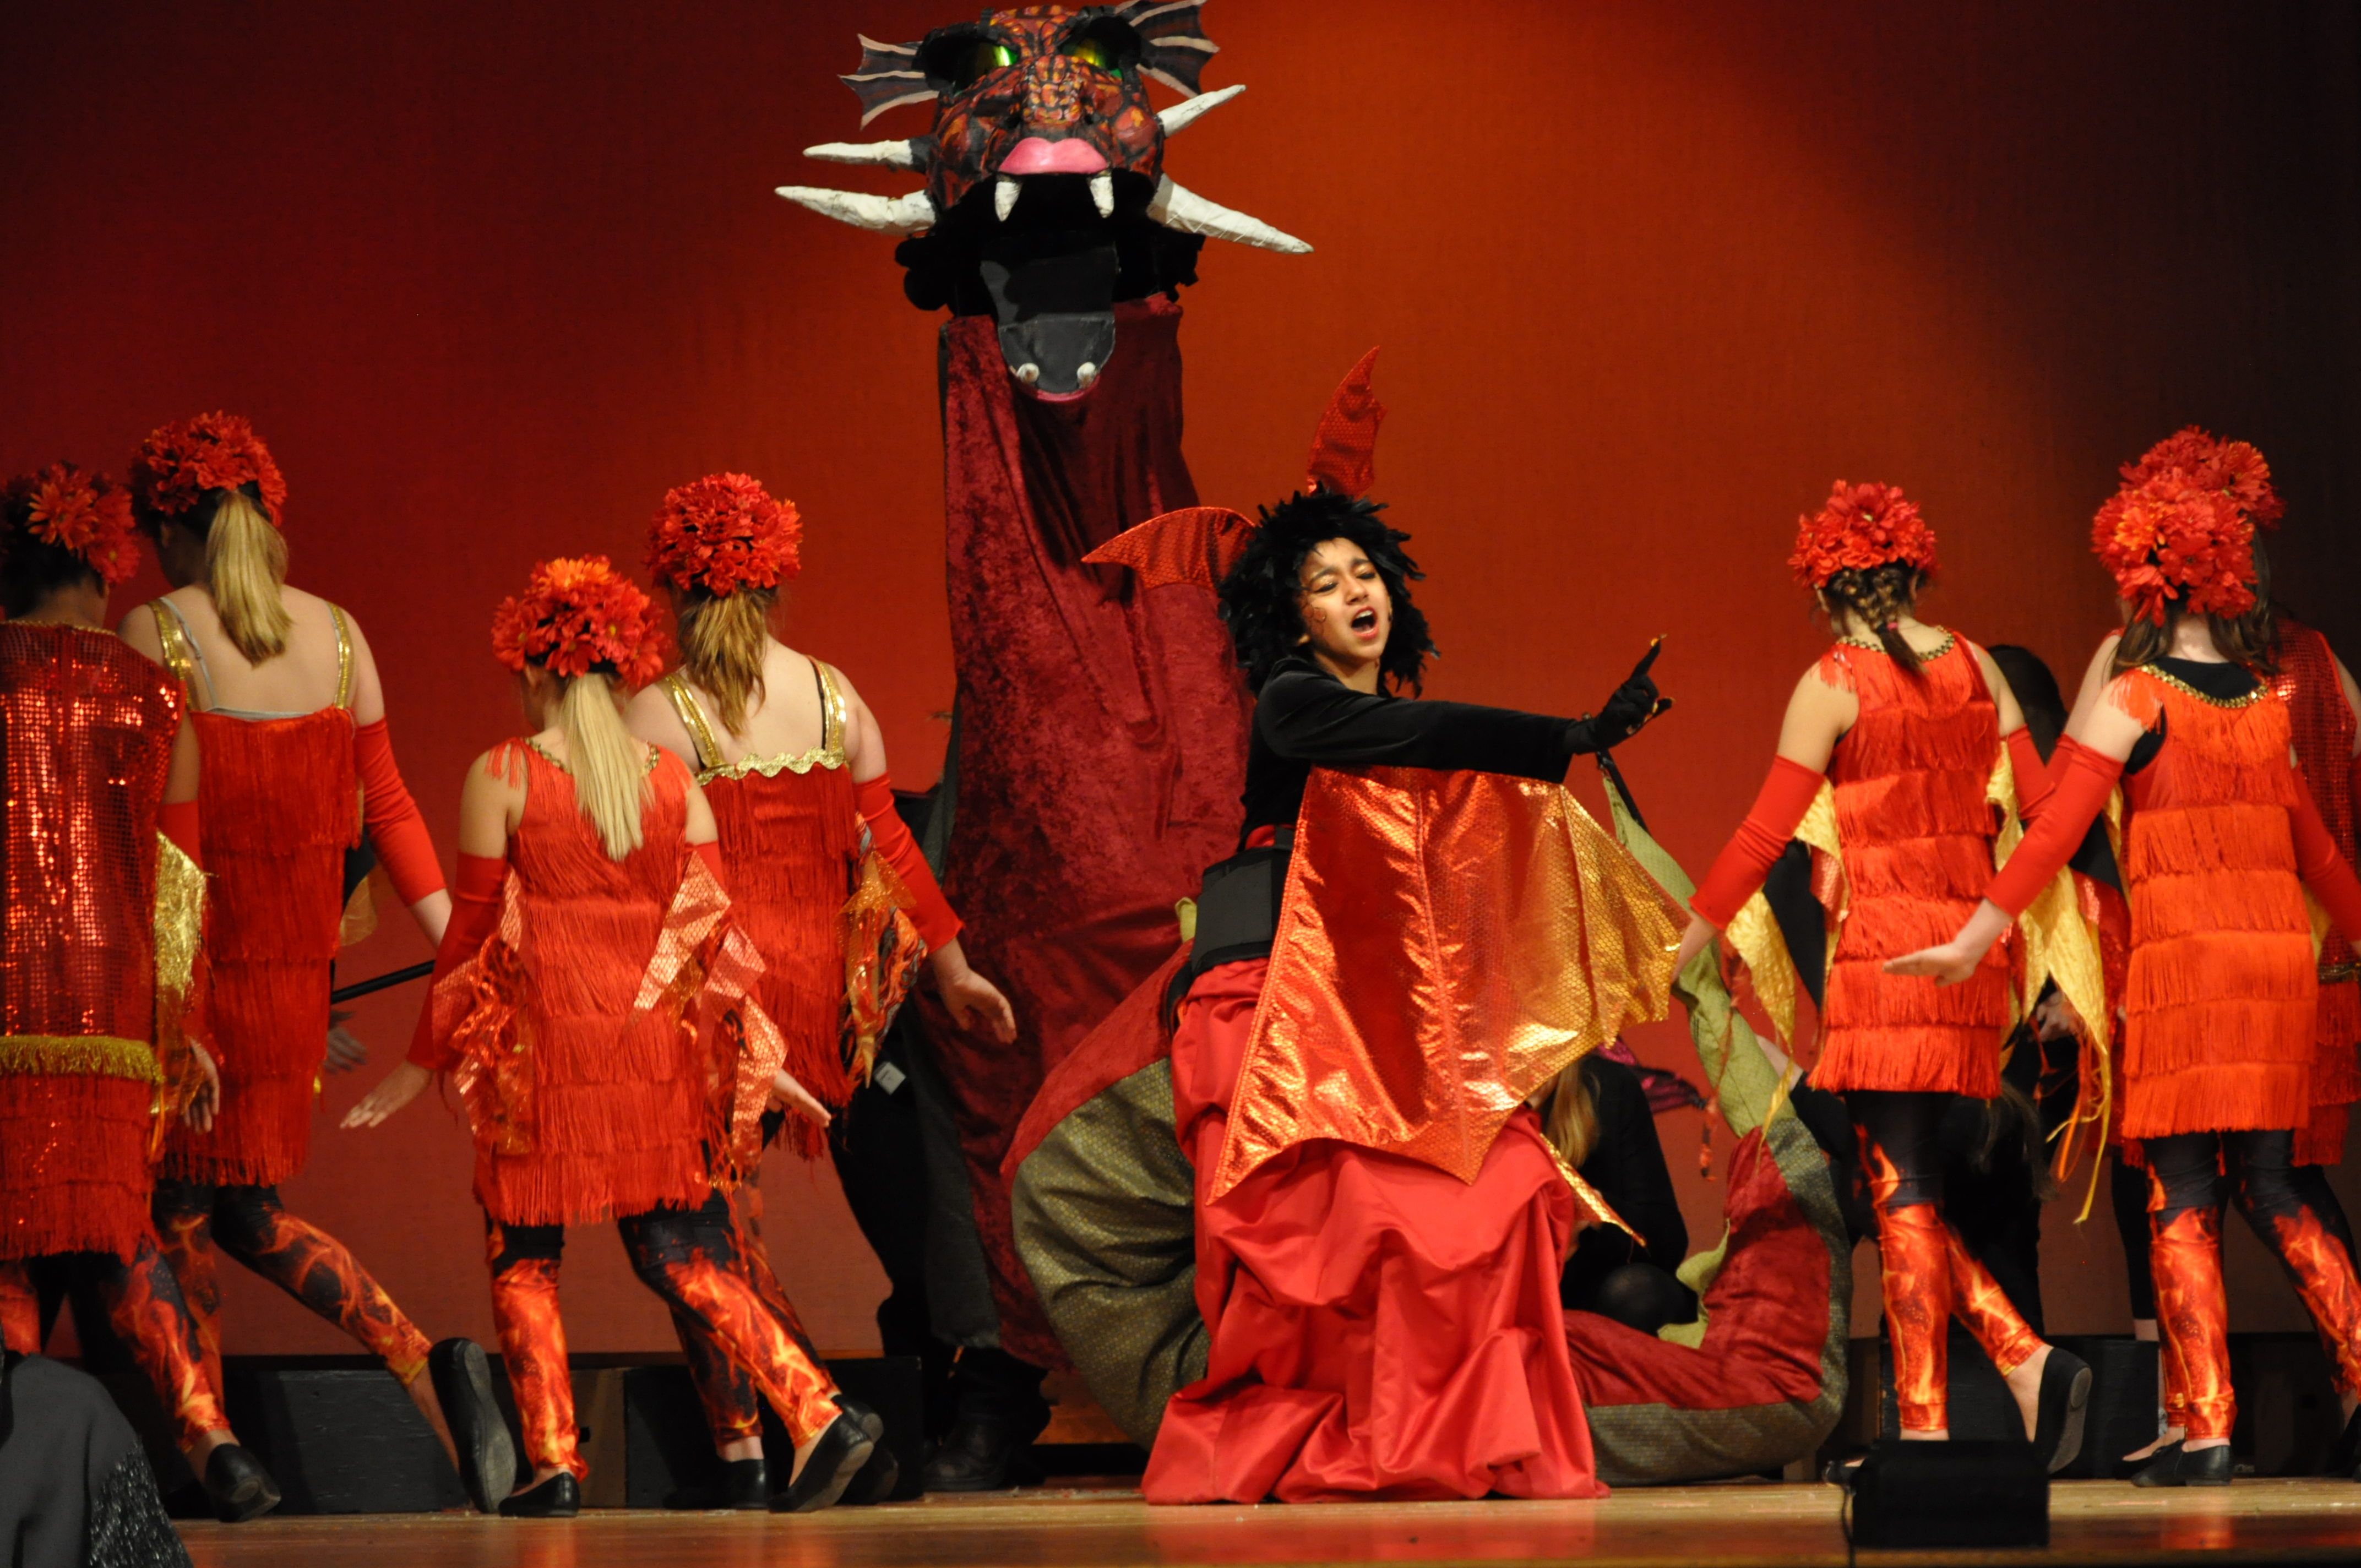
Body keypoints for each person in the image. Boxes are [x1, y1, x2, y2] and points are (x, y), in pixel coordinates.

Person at [1079, 352, 1678, 1501]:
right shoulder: (1294, 704)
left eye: (1365, 572)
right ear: (1288, 616)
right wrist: (1565, 735)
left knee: (1500, 1184)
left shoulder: (1382, 724)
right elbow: (1431, 732)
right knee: (1344, 1231)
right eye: (1323, 582)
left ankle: (1445, 1431)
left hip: (1370, 1011)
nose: (1356, 591)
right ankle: (1357, 1431)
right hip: (1274, 1008)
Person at [345, 556, 881, 1516]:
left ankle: (554, 1464)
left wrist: (419, 1063)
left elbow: (468, 941)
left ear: (533, 669)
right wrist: (759, 1055)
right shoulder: (673, 779)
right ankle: (817, 1410)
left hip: (544, 1055)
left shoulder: (501, 774)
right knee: (680, 1252)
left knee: (525, 1255)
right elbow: (716, 934)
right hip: (652, 1059)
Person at [1889, 427, 2361, 1486]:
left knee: (2182, 1191)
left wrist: (1974, 933)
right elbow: (2321, 855)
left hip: (2187, 976)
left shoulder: (2132, 696)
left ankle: (2206, 1428)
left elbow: (2051, 832)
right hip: (2273, 977)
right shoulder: (2263, 704)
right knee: (2275, 1186)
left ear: (2139, 578)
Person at [117, 413, 511, 1513]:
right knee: (242, 1205)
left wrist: (166, 996)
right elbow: (390, 807)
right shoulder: (339, 636)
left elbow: (153, 834)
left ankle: (210, 1441)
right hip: (291, 983)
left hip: (197, 974)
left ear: (168, 532)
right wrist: (460, 940)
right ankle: (412, 1356)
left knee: (178, 1209)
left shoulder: (157, 630)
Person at [1673, 481, 2090, 1469]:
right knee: (1896, 1177)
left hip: (1882, 957)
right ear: (1913, 575)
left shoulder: (1831, 681)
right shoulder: (1981, 665)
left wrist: (1685, 940)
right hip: (1966, 964)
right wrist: (1991, 926)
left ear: (1825, 592)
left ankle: (1929, 1427)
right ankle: (2019, 1358)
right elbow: (2046, 820)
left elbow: (1763, 835)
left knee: (1898, 1186)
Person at [625, 471, 1015, 1504]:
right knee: (723, 1220)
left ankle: (776, 1432)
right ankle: (766, 1447)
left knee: (695, 1222)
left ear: (676, 593)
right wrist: (954, 968)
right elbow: (889, 847)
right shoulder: (835, 694)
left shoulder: (658, 712)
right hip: (824, 994)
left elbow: (663, 885)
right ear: (774, 587)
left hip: (721, 986)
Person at [0, 462, 277, 1522]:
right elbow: (178, 882)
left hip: (11, 993)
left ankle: (15, 1452)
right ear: (103, 568)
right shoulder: (155, 696)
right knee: (116, 1229)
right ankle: (211, 1434)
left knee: (12, 1230)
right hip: (111, 1001)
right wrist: (185, 1022)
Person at [1537, 1055, 1696, 1334]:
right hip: (1504, 1288)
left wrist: (1593, 1208)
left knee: (1639, 1293)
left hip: (1591, 1289)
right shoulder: (1466, 1113)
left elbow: (1668, 1241)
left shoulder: (1606, 1086)